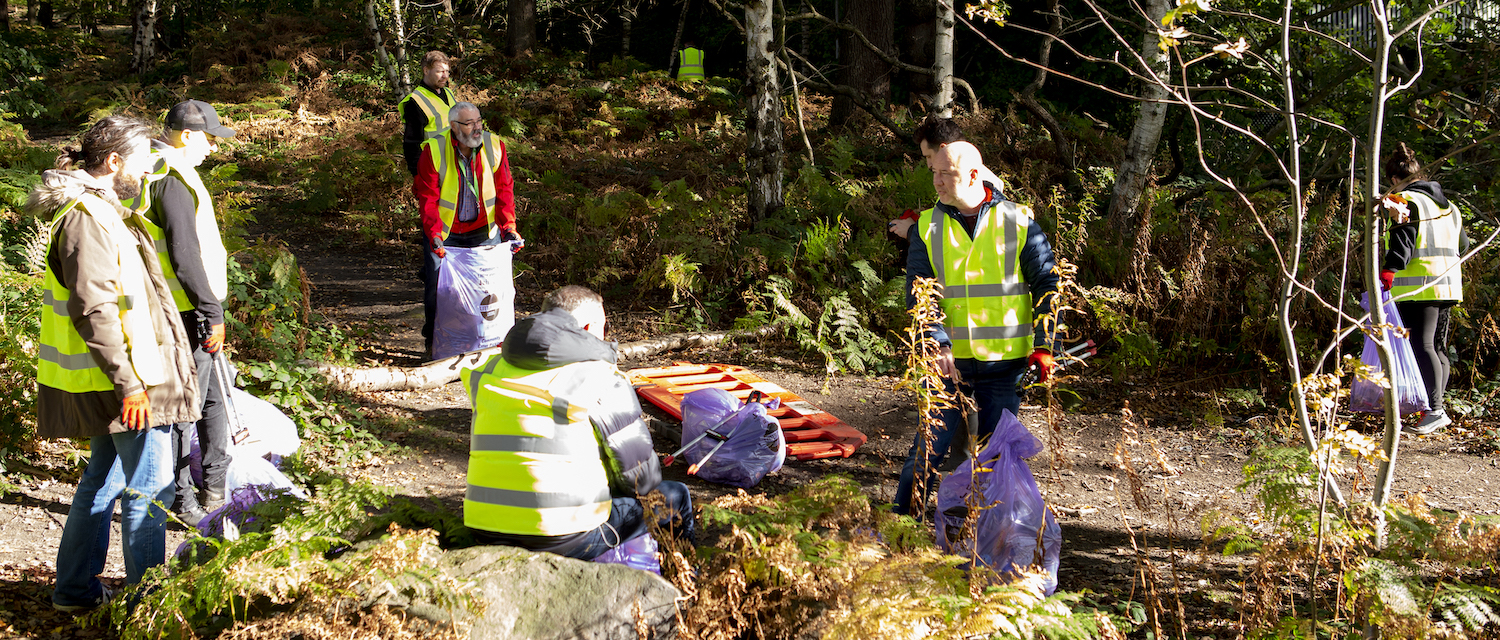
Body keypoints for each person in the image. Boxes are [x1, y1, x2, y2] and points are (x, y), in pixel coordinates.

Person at [29, 115, 201, 612]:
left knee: (102, 483)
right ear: (114, 162)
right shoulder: (87, 217)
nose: (150, 168)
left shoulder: (100, 210)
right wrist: (130, 385)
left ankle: (75, 591)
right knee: (149, 491)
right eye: (144, 158)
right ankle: (149, 605)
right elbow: (95, 308)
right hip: (124, 381)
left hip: (116, 377)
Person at [462, 285, 695, 559]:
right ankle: (685, 581)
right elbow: (641, 482)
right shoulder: (598, 375)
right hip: (565, 536)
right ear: (587, 327)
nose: (605, 337)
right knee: (675, 494)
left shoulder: (488, 368)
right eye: (603, 328)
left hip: (482, 526)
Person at [893, 142, 1059, 516]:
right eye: (933, 172)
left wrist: (1047, 344)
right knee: (927, 451)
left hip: (1005, 367)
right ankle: (901, 530)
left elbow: (1049, 285)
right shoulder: (926, 226)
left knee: (998, 459)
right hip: (945, 368)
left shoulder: (1019, 221)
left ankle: (992, 539)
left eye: (945, 174)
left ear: (973, 175)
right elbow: (920, 293)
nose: (936, 182)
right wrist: (937, 343)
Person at [135, 100, 238, 526]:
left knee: (211, 398)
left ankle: (215, 487)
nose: (213, 148)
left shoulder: (160, 169)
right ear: (188, 135)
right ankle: (183, 498)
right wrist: (211, 310)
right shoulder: (169, 179)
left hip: (188, 305)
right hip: (184, 310)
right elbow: (184, 254)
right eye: (210, 139)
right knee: (185, 408)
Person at [414, 101, 522, 358]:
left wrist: (509, 227)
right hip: (445, 232)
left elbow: (505, 188)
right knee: (437, 289)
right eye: (469, 123)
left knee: (487, 290)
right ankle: (435, 344)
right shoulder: (434, 150)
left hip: (484, 230)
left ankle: (488, 345)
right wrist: (435, 235)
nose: (477, 128)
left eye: (479, 121)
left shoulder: (494, 146)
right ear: (454, 127)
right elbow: (427, 197)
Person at [1379, 142, 1466, 435]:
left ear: (1393, 179)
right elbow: (1463, 244)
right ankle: (1435, 408)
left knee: (1423, 345)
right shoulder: (1448, 205)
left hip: (1420, 285)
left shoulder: (1401, 199)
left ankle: (1434, 410)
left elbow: (1403, 238)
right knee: (1437, 346)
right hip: (1448, 283)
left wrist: (1390, 269)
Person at [889, 117, 1005, 243]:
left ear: (943, 148)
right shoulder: (974, 178)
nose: (929, 164)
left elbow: (959, 240)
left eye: (929, 156)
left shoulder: (974, 185)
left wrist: (912, 231)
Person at [399, 51, 457, 176]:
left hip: (454, 165)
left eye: (447, 71)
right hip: (432, 170)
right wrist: (419, 175)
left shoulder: (448, 93)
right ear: (426, 71)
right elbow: (412, 145)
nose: (445, 76)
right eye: (440, 71)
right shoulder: (416, 101)